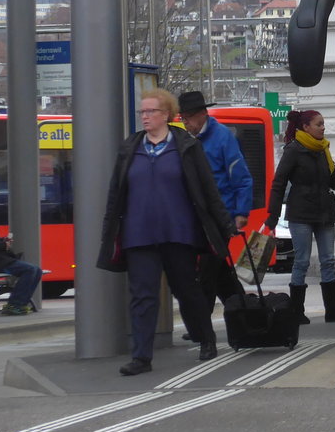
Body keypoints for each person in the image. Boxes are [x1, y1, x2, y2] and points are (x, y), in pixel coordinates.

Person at [97, 89, 238, 376]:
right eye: (142, 112)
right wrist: (108, 230)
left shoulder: (186, 146)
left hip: (179, 232)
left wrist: (224, 224)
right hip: (139, 234)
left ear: (166, 115)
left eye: (151, 112)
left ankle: (205, 338)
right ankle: (141, 357)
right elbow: (115, 193)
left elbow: (207, 188)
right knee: (142, 296)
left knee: (187, 291)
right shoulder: (130, 148)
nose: (145, 117)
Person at [265, 109, 335, 324]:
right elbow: (279, 183)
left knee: (328, 260)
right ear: (306, 127)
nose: (323, 127)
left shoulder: (323, 149)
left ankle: (333, 310)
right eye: (319, 124)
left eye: (323, 124)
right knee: (302, 261)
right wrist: (273, 215)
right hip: (301, 213)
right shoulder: (293, 150)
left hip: (324, 212)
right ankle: (297, 312)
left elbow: (333, 180)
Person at [178, 90, 253, 335]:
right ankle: (246, 315)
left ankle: (201, 327)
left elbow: (241, 177)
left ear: (202, 115)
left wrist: (241, 212)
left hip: (220, 217)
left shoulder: (222, 137)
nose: (184, 122)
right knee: (221, 275)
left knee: (207, 274)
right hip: (199, 217)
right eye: (182, 118)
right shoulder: (188, 139)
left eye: (188, 117)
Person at [0, 194, 43, 316]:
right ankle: (15, 305)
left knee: (37, 270)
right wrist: (2, 245)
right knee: (30, 270)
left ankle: (19, 304)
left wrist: (3, 242)